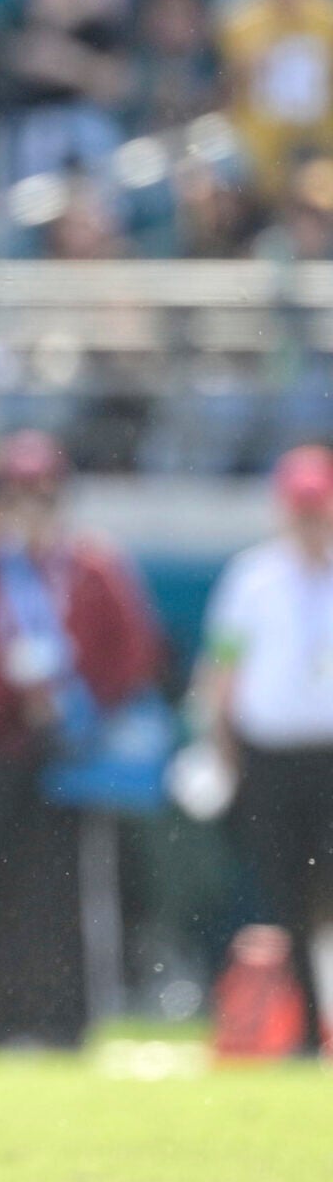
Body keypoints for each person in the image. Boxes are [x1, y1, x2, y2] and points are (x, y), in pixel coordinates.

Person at [0, 432, 163, 1049]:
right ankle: (0, 1013)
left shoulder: (92, 566)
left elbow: (135, 653)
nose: (32, 505)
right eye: (20, 493)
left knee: (61, 886)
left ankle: (66, 1017)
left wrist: (79, 700)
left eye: (43, 493)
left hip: (69, 747)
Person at [194, 444, 333, 1051]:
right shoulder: (253, 578)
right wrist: (224, 750)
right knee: (287, 892)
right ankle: (304, 1026)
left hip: (328, 753)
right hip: (271, 756)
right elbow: (223, 670)